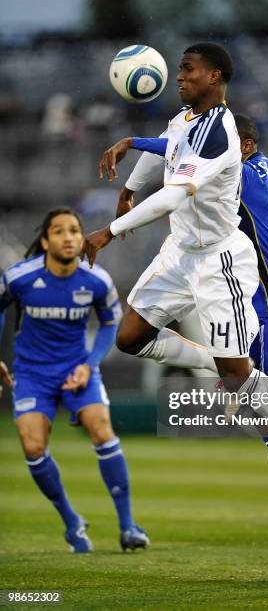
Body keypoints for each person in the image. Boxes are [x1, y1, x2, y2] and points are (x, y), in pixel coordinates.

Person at [81, 42, 268, 571]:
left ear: (217, 76)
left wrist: (110, 231)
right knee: (130, 337)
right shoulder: (187, 117)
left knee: (247, 392)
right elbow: (166, 143)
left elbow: (176, 194)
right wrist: (128, 183)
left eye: (188, 69)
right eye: (178, 68)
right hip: (179, 253)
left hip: (218, 261)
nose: (178, 76)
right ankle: (238, 376)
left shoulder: (221, 131)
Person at [0, 208, 149, 553]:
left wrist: (90, 364)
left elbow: (111, 323)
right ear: (45, 240)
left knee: (102, 430)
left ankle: (128, 527)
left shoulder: (97, 279)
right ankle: (72, 522)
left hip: (77, 368)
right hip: (32, 373)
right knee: (33, 447)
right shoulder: (19, 277)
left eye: (74, 231)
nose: (68, 237)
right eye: (59, 231)